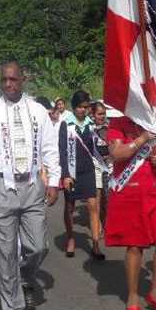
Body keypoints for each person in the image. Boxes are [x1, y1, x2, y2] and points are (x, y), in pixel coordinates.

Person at [0, 62, 60, 310]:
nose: (8, 84)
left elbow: (49, 147)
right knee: (6, 250)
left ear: (23, 80)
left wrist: (53, 181)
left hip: (32, 185)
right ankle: (12, 306)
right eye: (4, 80)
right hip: (1, 186)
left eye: (13, 79)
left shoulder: (37, 111)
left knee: (38, 246)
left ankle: (22, 278)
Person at [105, 115, 156, 310]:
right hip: (131, 192)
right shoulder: (118, 123)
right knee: (135, 244)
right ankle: (133, 293)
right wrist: (143, 138)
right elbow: (117, 153)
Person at [59, 90, 103, 260]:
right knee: (70, 207)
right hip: (71, 172)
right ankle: (71, 238)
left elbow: (96, 148)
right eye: (80, 107)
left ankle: (95, 244)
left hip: (88, 170)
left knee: (93, 206)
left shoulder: (92, 125)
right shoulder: (66, 125)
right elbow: (62, 151)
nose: (83, 110)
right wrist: (65, 175)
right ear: (74, 107)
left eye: (86, 107)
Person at [90, 101, 111, 233]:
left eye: (104, 114)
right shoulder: (89, 129)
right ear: (93, 115)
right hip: (95, 163)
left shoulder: (110, 127)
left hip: (110, 163)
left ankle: (108, 220)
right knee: (97, 193)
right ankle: (97, 221)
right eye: (99, 114)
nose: (102, 116)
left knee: (109, 194)